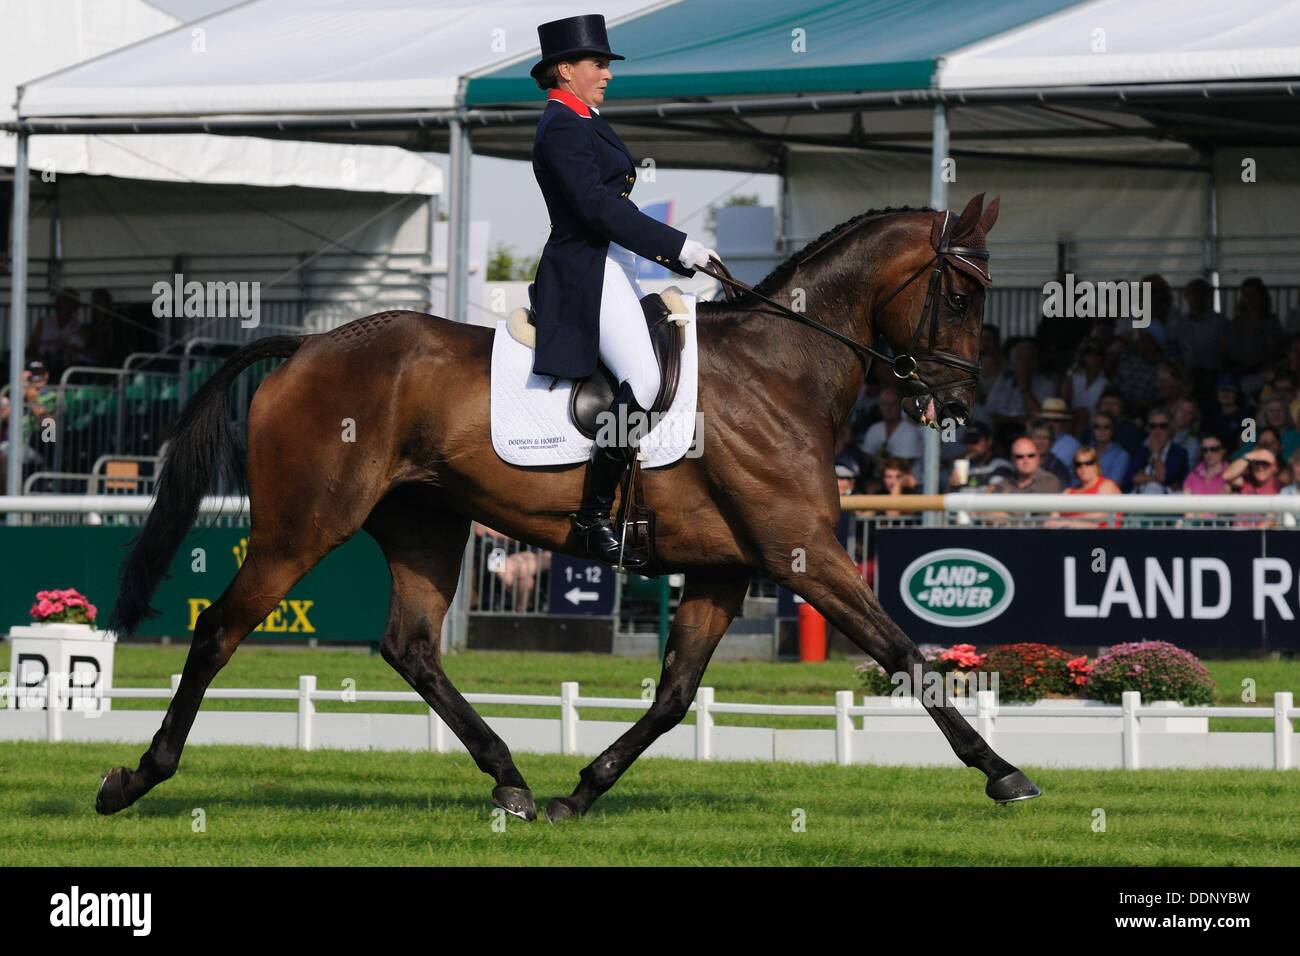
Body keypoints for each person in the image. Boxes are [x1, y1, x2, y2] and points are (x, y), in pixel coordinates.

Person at [527, 14, 718, 568]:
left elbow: (617, 208)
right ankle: (591, 518)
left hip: (615, 263)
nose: (607, 73)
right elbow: (596, 208)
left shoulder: (584, 118)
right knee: (644, 378)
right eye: (598, 64)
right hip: (585, 267)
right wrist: (677, 245)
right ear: (566, 70)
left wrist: (675, 255)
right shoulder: (562, 124)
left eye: (607, 64)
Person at [860, 384, 925, 476]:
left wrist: (879, 459)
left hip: (908, 481)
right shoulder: (874, 429)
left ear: (900, 406)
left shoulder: (909, 431)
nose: (888, 408)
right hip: (882, 480)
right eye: (884, 404)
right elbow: (864, 461)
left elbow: (902, 467)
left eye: (893, 404)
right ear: (879, 407)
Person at [1048, 448, 1121, 528]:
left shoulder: (1106, 485)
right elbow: (1052, 520)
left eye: (1088, 463)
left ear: (1097, 465)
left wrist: (1067, 522)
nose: (1083, 467)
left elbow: (1100, 516)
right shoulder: (1068, 492)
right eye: (1078, 464)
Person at [1126, 406, 1189, 494]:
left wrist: (1156, 453)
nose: (1157, 430)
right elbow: (1131, 477)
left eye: (1163, 426)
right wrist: (1155, 478)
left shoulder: (1178, 452)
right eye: (1153, 426)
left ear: (1170, 429)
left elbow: (1164, 477)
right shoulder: (1141, 450)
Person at [948, 422, 1013, 490]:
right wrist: (953, 486)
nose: (971, 446)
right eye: (968, 441)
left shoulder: (1002, 466)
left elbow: (995, 492)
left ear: (989, 441)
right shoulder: (964, 467)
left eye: (974, 441)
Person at [991, 436, 1062, 494]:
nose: (1026, 460)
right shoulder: (1004, 484)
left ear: (1038, 457)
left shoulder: (1050, 481)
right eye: (1020, 457)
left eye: (1030, 456)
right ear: (1013, 459)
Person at [1085, 410, 1131, 489]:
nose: (1101, 430)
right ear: (1092, 430)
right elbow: (1074, 480)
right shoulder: (1085, 452)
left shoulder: (1121, 455)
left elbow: (1113, 485)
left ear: (1113, 430)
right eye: (1097, 427)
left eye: (1106, 427)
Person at [1026, 419, 1072, 486]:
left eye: (1045, 438)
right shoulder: (1023, 462)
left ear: (1051, 442)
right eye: (1037, 437)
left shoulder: (1058, 468)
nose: (1041, 442)